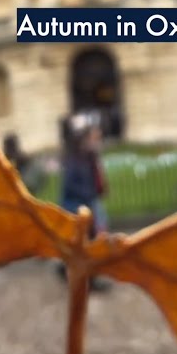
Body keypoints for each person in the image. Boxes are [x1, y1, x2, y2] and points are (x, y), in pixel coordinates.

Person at [56, 112, 111, 292]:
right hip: (77, 209)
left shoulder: (87, 157)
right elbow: (70, 186)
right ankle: (86, 279)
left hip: (86, 207)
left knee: (88, 245)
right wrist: (89, 194)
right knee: (85, 246)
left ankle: (81, 274)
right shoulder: (74, 159)